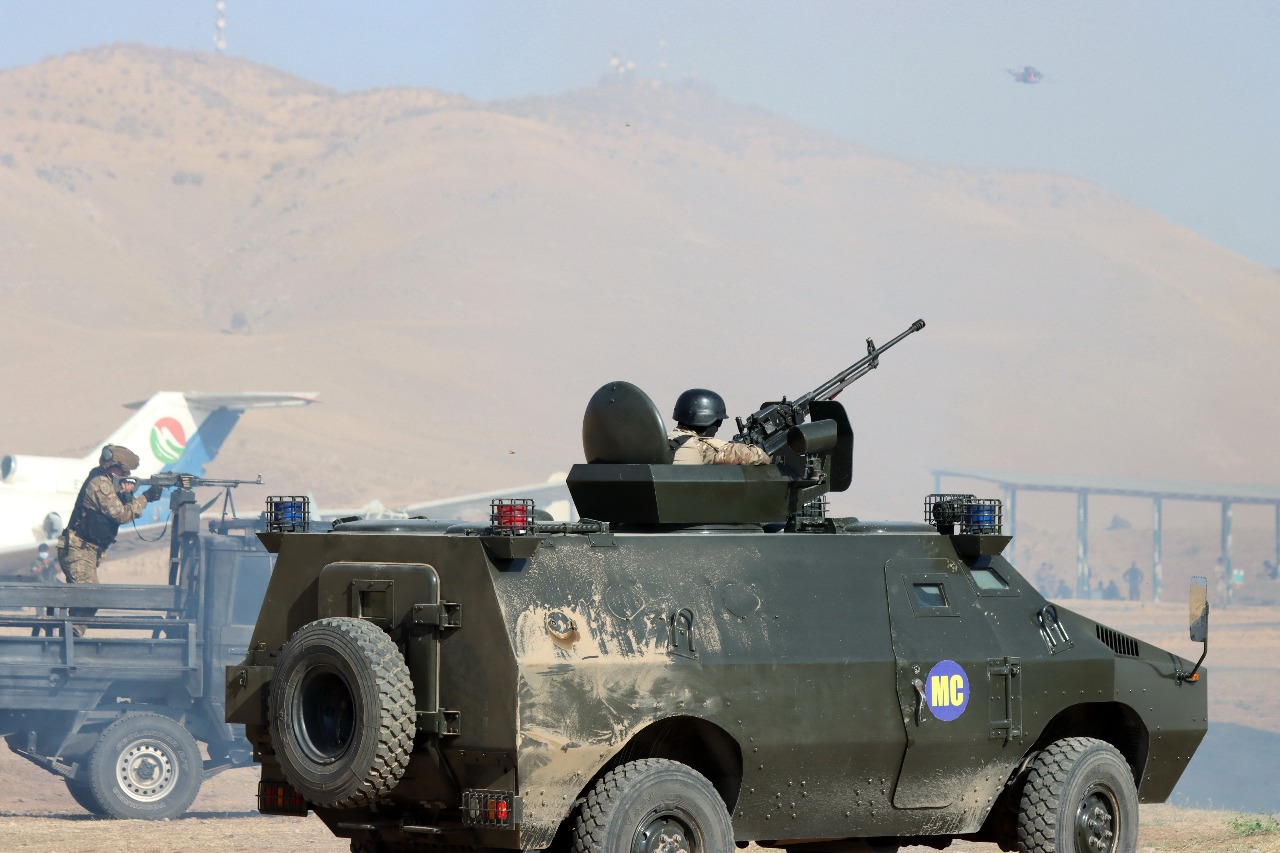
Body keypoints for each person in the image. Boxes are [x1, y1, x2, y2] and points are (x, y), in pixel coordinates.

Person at [57, 444, 163, 636]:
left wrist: (127, 495)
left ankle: (71, 637)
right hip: (78, 549)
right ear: (113, 468)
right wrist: (146, 498)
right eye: (124, 471)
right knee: (90, 597)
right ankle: (69, 639)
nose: (127, 474)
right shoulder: (101, 484)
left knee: (87, 599)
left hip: (87, 550)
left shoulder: (106, 481)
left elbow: (117, 508)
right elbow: (121, 515)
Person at [667, 388, 771, 466]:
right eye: (719, 423)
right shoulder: (701, 446)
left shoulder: (666, 440)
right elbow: (756, 455)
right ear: (712, 422)